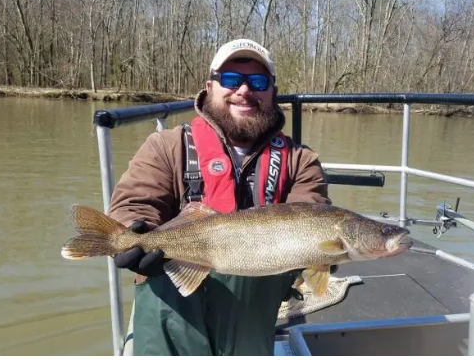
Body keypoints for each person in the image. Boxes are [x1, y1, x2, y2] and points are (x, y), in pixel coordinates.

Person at [107, 38, 331, 356]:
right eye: (230, 79)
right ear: (210, 86)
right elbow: (135, 203)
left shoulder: (300, 160)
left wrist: (325, 253)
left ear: (272, 91)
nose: (243, 91)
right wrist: (132, 228)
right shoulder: (166, 145)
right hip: (171, 313)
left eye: (257, 81)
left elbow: (313, 214)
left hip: (252, 319)